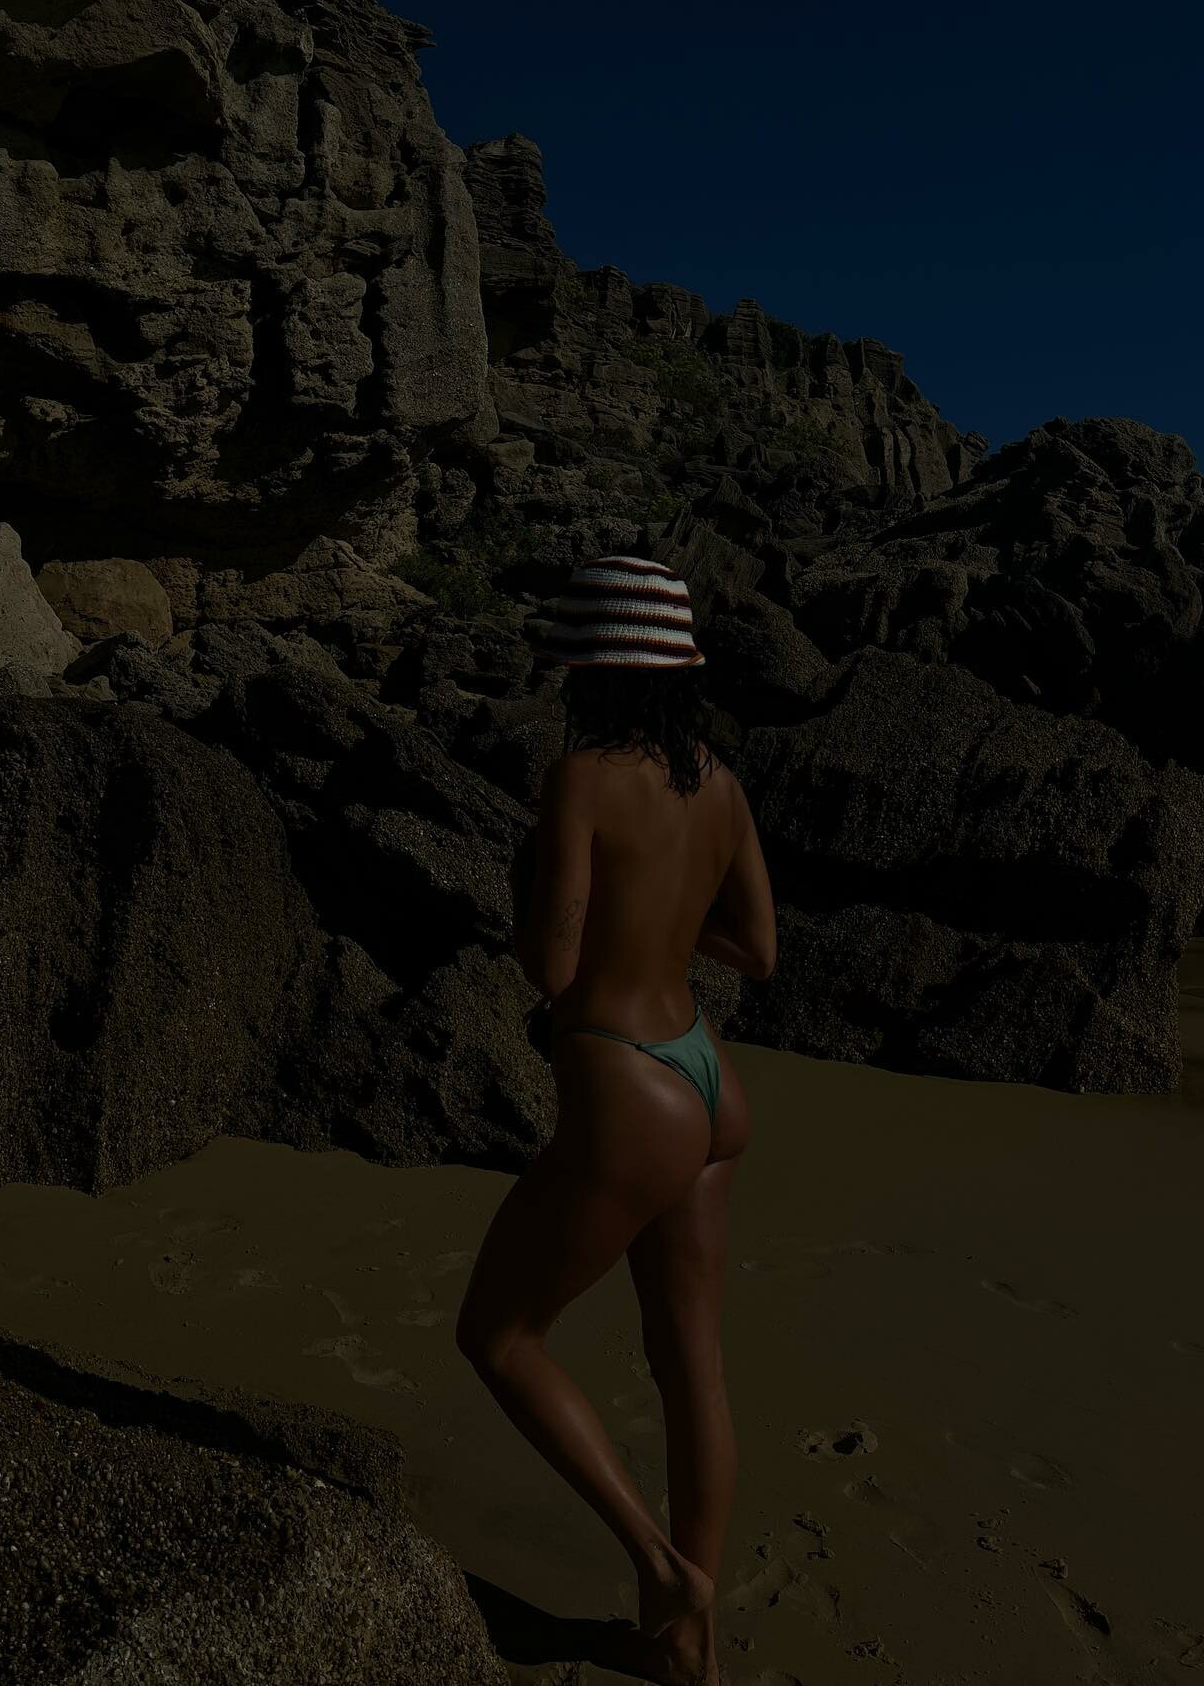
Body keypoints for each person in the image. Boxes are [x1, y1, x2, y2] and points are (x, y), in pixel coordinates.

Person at [455, 555, 778, 1686]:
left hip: (628, 1080)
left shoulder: (581, 778)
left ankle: (661, 1568)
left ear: (591, 672)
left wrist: (536, 895)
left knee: (498, 1336)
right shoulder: (721, 785)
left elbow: (550, 966)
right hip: (706, 1075)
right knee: (693, 1364)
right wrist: (665, 925)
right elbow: (760, 950)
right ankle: (686, 1647)